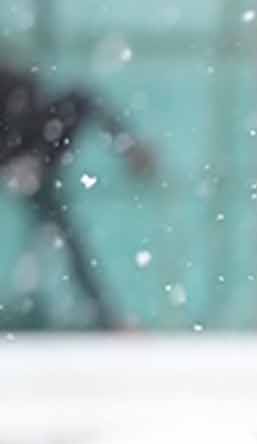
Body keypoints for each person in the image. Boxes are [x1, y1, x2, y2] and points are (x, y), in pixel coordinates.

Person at [0, 60, 157, 330]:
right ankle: (108, 320)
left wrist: (33, 159)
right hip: (27, 150)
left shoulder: (31, 99)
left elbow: (72, 102)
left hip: (33, 151)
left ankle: (108, 319)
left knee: (69, 241)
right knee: (69, 241)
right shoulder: (21, 93)